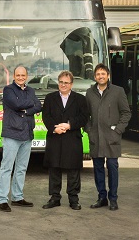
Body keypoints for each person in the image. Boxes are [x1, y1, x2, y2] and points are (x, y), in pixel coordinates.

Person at [85, 62, 131, 211]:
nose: (100, 76)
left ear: (108, 75)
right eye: (98, 74)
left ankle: (113, 199)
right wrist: (89, 130)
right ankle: (101, 197)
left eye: (103, 73)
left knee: (112, 167)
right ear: (95, 77)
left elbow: (126, 113)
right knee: (98, 167)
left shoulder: (118, 91)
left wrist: (118, 130)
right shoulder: (89, 92)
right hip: (96, 137)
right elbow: (86, 115)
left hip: (112, 137)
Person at [0, 65, 42, 212]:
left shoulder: (31, 90)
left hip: (27, 134)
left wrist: (25, 110)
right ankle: (2, 200)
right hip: (12, 134)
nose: (21, 77)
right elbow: (16, 104)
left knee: (21, 168)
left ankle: (17, 197)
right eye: (18, 75)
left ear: (26, 76)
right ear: (14, 76)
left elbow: (39, 105)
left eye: (23, 75)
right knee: (6, 168)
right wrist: (29, 106)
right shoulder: (8, 90)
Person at [41, 70, 90, 210]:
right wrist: (53, 128)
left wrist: (69, 125)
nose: (63, 85)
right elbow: (46, 116)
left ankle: (74, 199)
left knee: (73, 170)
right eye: (61, 82)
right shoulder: (50, 98)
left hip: (72, 138)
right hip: (55, 137)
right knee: (54, 169)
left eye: (66, 83)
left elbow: (84, 117)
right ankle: (54, 198)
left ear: (71, 84)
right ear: (58, 83)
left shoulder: (80, 99)